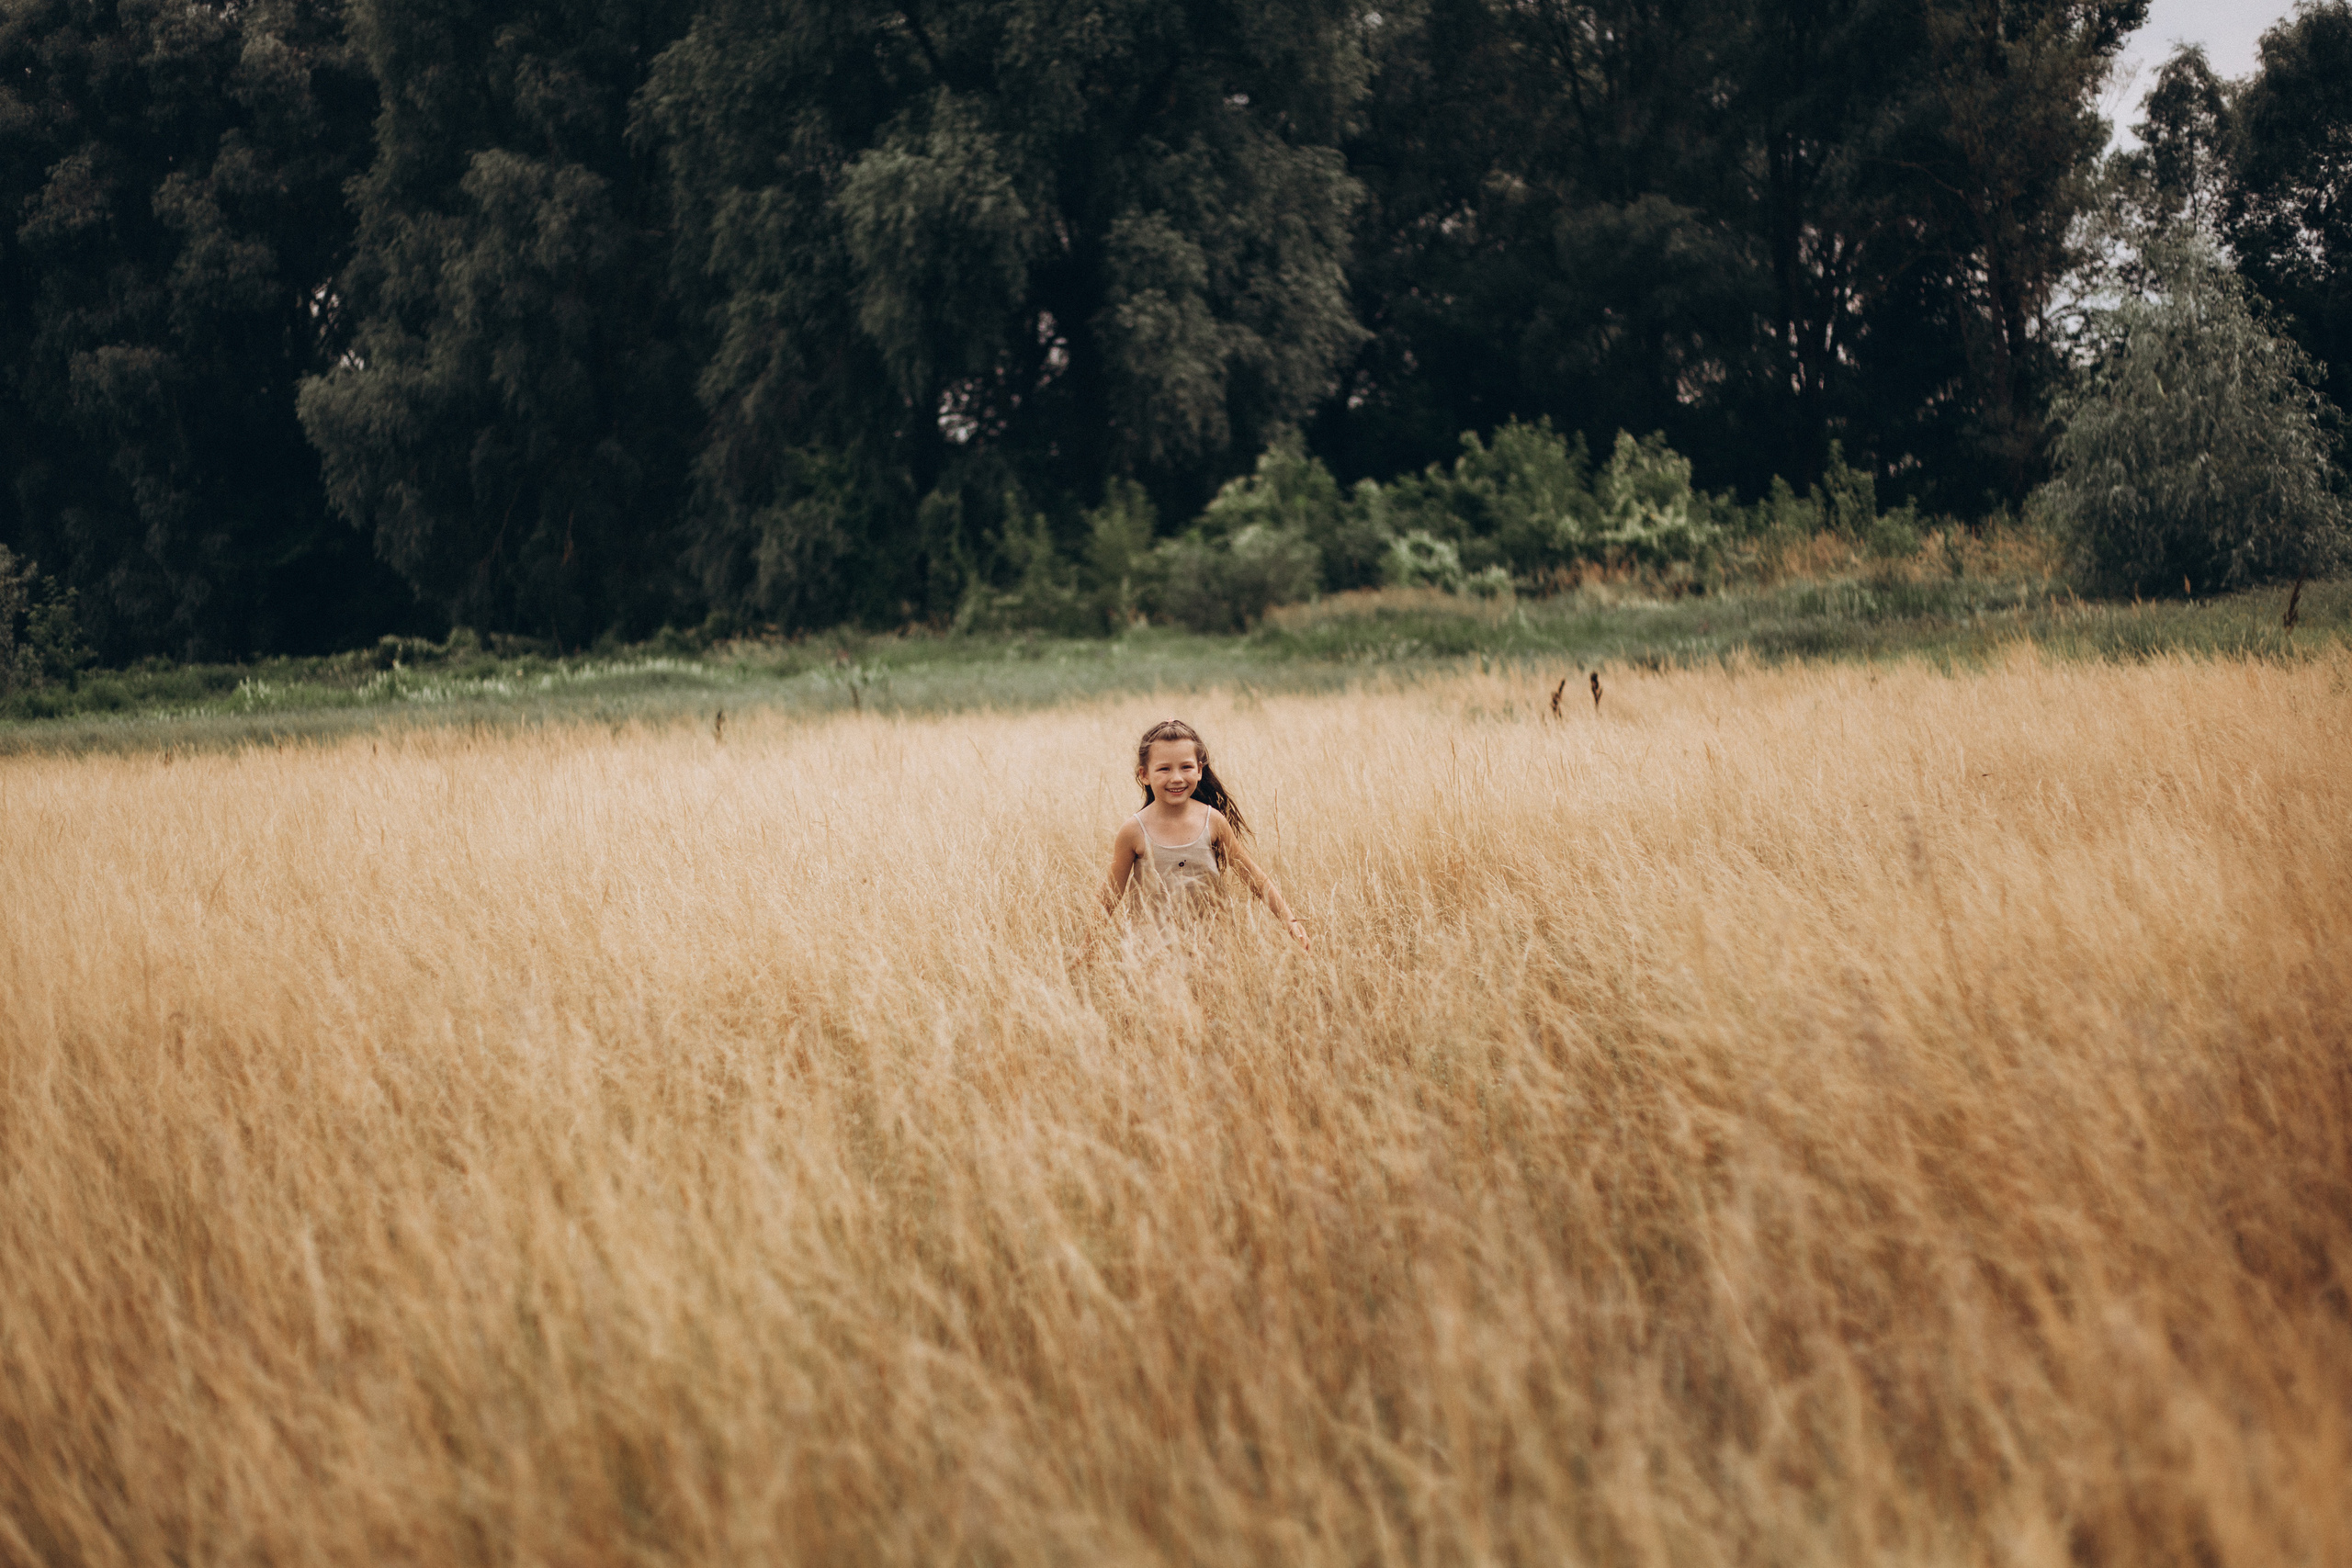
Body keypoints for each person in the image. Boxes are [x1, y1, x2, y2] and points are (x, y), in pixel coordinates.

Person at [1100, 718, 1311, 951]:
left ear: (1199, 770)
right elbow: (1110, 895)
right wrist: (1088, 948)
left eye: (1186, 767)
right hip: (1152, 951)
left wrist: (1290, 922)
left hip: (1212, 947)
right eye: (1164, 769)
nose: (1177, 778)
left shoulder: (1213, 821)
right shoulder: (1134, 830)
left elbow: (1254, 877)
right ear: (1144, 775)